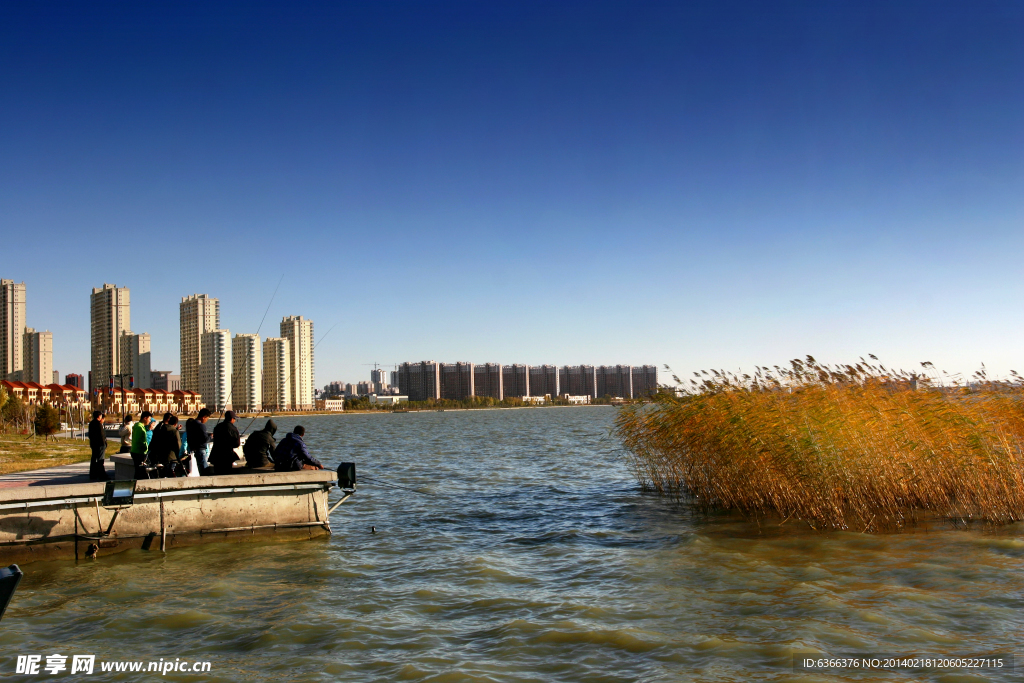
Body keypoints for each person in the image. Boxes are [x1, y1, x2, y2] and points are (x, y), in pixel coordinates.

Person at [210, 411, 241, 475]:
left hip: (216, 454)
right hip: (227, 455)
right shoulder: (233, 429)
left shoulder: (217, 427)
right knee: (227, 473)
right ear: (232, 419)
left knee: (217, 473)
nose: (234, 420)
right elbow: (237, 444)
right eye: (234, 419)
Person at [185, 409, 212, 475]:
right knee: (204, 469)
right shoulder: (201, 425)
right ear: (204, 417)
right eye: (207, 419)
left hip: (194, 449)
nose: (206, 420)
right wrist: (211, 436)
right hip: (201, 450)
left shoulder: (191, 424)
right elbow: (205, 439)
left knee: (200, 469)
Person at [87, 410, 110, 481]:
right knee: (100, 460)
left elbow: (90, 435)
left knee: (93, 459)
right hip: (100, 445)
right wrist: (104, 444)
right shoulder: (98, 424)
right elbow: (101, 435)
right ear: (99, 416)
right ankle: (102, 475)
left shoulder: (91, 424)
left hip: (94, 444)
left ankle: (93, 474)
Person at [130, 411, 153, 478]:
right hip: (139, 453)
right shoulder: (139, 428)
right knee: (140, 472)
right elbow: (140, 441)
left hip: (136, 451)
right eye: (149, 419)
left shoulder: (138, 426)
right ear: (145, 418)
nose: (149, 421)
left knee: (139, 472)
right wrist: (146, 449)